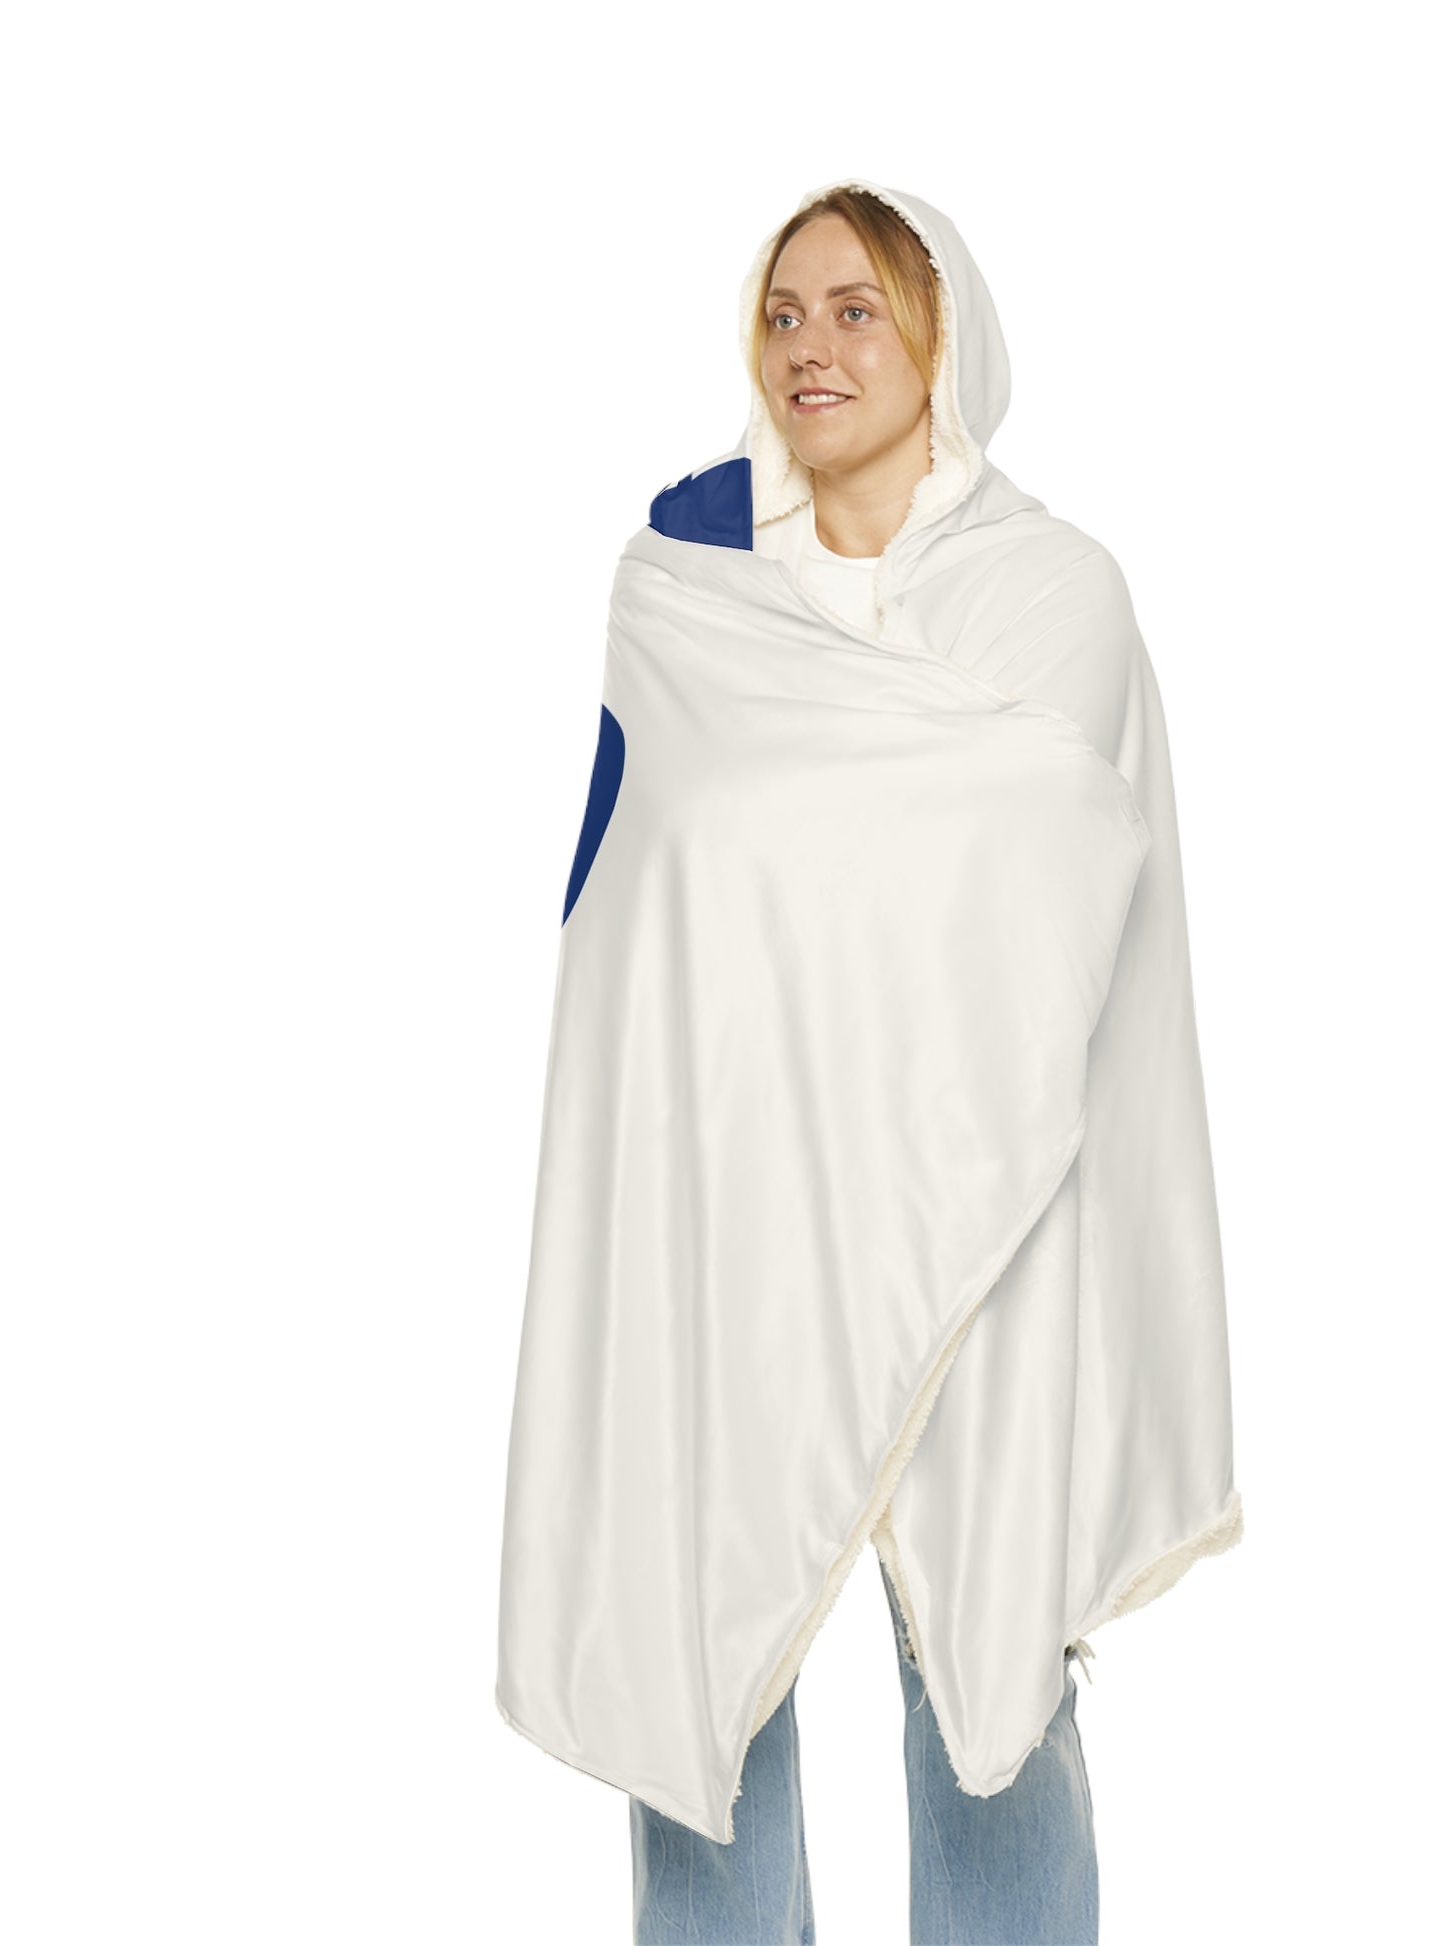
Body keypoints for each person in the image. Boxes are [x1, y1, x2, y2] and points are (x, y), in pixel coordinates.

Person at [495, 177, 1240, 1946]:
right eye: (781, 313)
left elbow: (1037, 867)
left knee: (986, 1676)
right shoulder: (682, 583)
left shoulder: (1051, 595)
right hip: (729, 1190)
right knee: (699, 1671)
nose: (808, 347)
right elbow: (641, 916)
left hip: (983, 1196)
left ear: (939, 333)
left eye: (852, 309)